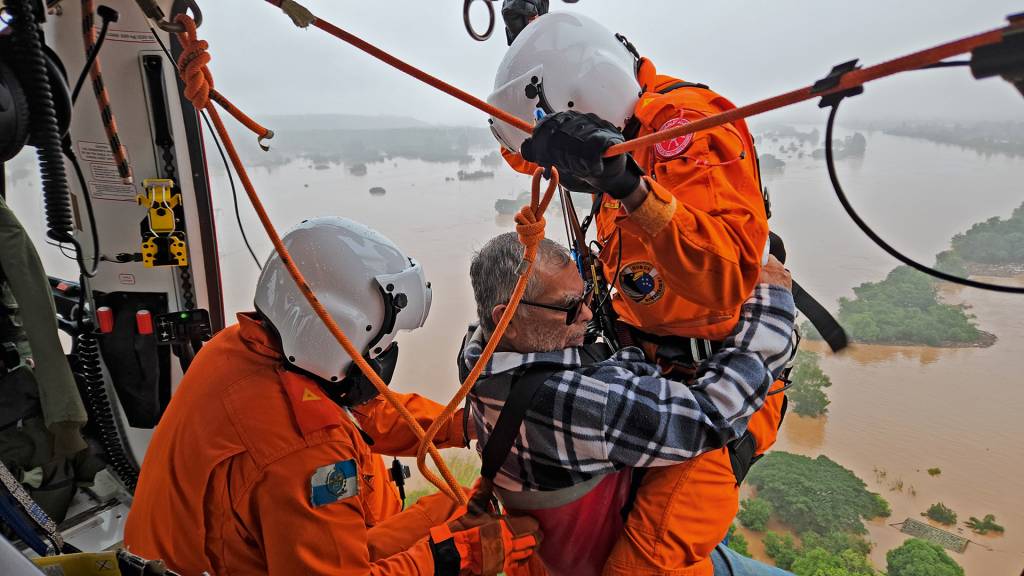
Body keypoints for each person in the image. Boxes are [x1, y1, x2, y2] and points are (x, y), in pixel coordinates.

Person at [487, 11, 791, 574]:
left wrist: (629, 186)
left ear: (592, 99)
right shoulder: (607, 115)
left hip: (719, 381)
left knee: (641, 561)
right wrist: (528, 63)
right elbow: (529, 150)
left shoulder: (686, 127)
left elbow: (726, 280)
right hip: (642, 362)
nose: (577, 184)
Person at [124, 217, 540, 575]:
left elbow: (367, 413)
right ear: (333, 334)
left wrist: (466, 423)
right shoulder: (305, 447)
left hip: (238, 553)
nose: (387, 354)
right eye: (382, 341)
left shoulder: (242, 350)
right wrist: (455, 556)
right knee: (460, 525)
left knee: (454, 506)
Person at [461, 233, 795, 576]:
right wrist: (774, 302)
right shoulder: (562, 404)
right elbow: (713, 413)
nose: (587, 313)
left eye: (587, 296)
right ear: (508, 319)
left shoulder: (477, 355)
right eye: (570, 307)